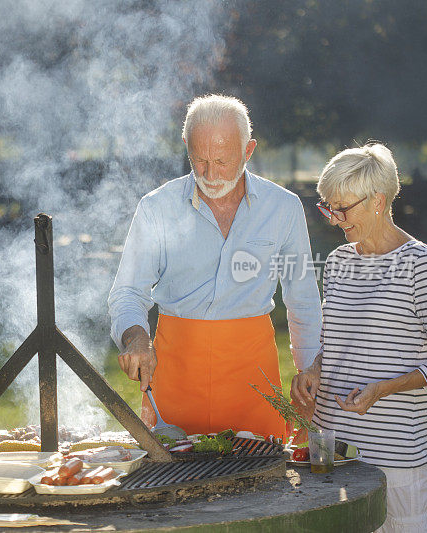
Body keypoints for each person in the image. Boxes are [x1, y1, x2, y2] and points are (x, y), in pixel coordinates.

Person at [108, 94, 322, 439]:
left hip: (253, 377)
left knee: (261, 481)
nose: (209, 174)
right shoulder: (155, 208)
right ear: (186, 146)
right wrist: (135, 338)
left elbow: (303, 302)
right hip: (175, 375)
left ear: (248, 151)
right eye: (199, 159)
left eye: (222, 161)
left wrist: (310, 375)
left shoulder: (284, 208)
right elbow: (127, 293)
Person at [291, 143, 427, 532]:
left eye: (342, 209)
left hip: (394, 455)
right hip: (333, 447)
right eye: (328, 207)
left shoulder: (420, 264)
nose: (334, 219)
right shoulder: (338, 262)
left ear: (378, 200)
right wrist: (312, 370)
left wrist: (384, 388)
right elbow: (335, 343)